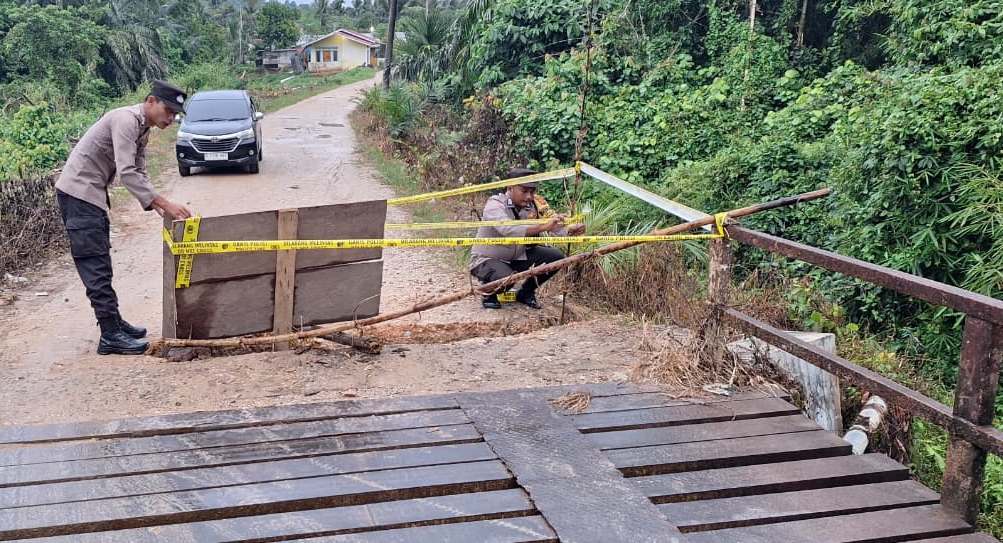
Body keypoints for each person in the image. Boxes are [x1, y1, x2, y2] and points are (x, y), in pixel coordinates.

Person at [55, 80, 193, 355]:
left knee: (101, 260)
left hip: (90, 196)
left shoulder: (143, 128)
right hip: (79, 196)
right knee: (95, 265)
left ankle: (115, 323)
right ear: (151, 101)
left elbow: (139, 171)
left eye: (175, 115)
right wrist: (163, 202)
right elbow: (127, 173)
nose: (171, 118)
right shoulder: (126, 120)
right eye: (168, 111)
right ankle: (109, 335)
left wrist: (158, 205)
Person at [470, 168, 585, 309]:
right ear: (510, 187)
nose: (529, 196)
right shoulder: (495, 204)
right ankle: (490, 294)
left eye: (532, 192)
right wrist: (543, 227)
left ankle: (526, 293)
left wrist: (568, 230)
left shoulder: (534, 205)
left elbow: (551, 223)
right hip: (487, 259)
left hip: (517, 256)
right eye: (524, 191)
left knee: (556, 257)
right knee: (506, 278)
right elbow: (508, 229)